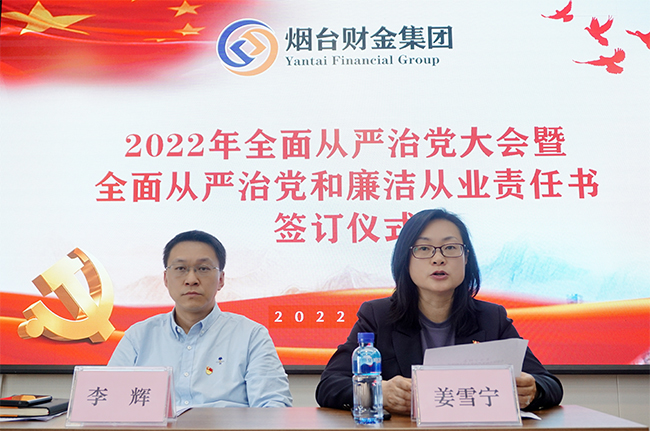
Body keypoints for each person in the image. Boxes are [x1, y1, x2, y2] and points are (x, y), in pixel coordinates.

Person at [315, 209, 563, 414]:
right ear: (405, 260)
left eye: (450, 248)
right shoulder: (378, 316)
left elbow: (549, 384)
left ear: (466, 258)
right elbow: (329, 386)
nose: (438, 259)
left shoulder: (491, 318)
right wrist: (379, 392)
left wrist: (533, 390)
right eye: (424, 249)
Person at [109, 230, 292, 410]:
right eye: (180, 269)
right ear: (166, 279)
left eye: (203, 269)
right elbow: (108, 400)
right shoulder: (138, 336)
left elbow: (273, 406)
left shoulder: (251, 336)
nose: (191, 279)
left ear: (221, 279)